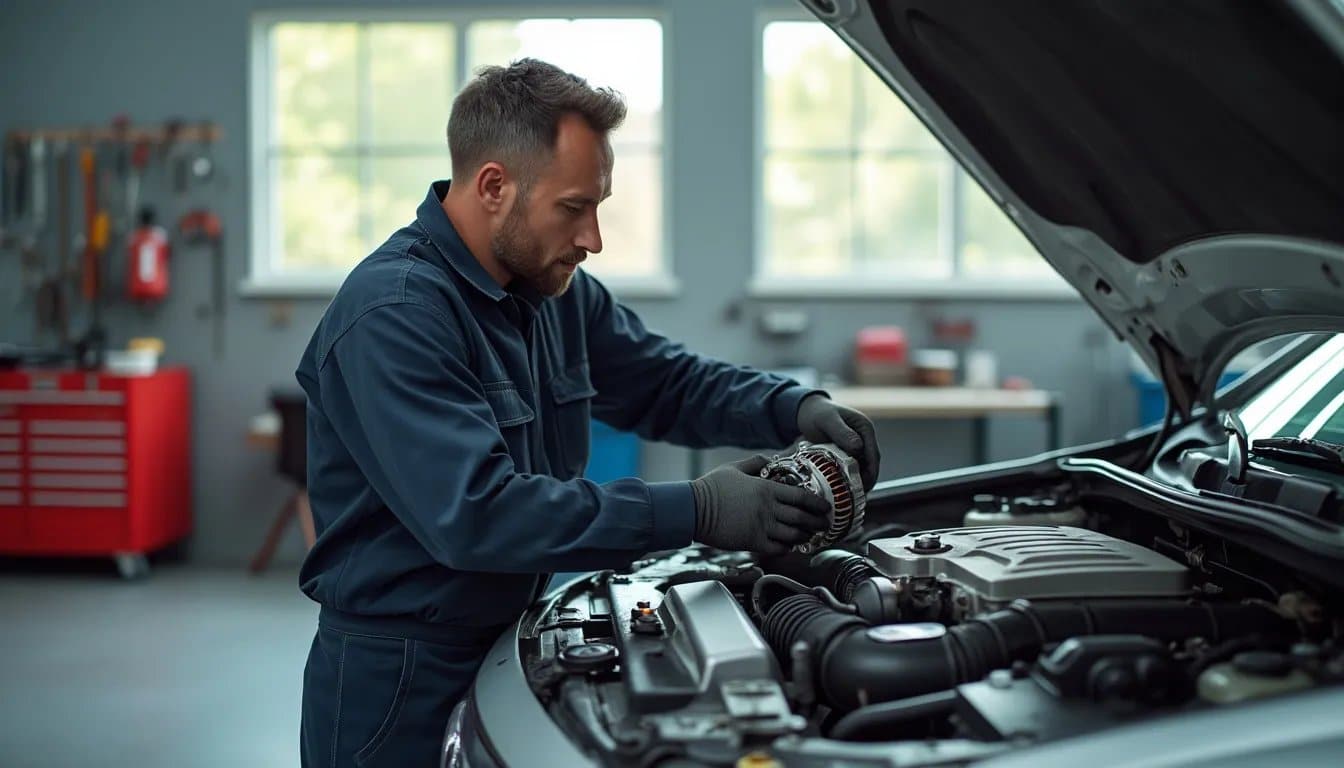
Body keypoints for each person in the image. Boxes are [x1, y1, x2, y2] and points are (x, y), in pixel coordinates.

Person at [294, 58, 880, 767]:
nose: (593, 238)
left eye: (597, 206)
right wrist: (697, 510)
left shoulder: (555, 294)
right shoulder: (397, 314)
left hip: (511, 638)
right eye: (574, 208)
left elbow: (665, 382)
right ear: (492, 187)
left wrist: (790, 407)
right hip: (399, 680)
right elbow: (478, 516)